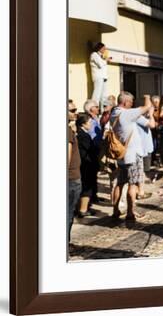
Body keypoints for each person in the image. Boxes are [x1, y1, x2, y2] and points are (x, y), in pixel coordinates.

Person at [109, 92, 155, 220]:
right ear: (125, 102)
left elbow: (149, 124)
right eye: (131, 102)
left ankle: (116, 210)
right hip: (132, 155)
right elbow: (146, 106)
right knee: (133, 184)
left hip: (122, 155)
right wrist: (147, 96)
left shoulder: (115, 113)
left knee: (119, 184)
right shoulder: (126, 113)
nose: (132, 104)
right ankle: (130, 212)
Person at [76, 113, 100, 217]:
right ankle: (83, 210)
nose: (91, 124)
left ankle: (82, 208)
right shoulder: (84, 136)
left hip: (85, 163)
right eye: (89, 122)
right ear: (83, 124)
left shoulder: (81, 133)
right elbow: (90, 150)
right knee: (87, 187)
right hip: (87, 164)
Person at [83, 99, 103, 203]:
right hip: (92, 151)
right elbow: (90, 136)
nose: (98, 108)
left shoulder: (95, 119)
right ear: (91, 109)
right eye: (96, 106)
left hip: (97, 150)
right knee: (90, 175)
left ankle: (94, 195)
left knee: (94, 174)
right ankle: (91, 197)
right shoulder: (89, 121)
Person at [67, 101, 81, 241]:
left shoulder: (71, 130)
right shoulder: (67, 131)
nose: (76, 112)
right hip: (70, 179)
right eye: (72, 110)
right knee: (68, 215)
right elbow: (67, 156)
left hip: (72, 178)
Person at [90, 42, 110, 109]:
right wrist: (106, 60)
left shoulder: (101, 56)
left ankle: (102, 110)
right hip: (98, 77)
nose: (105, 49)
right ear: (99, 48)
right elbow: (100, 65)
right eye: (103, 48)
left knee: (104, 95)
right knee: (97, 94)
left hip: (104, 77)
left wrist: (105, 59)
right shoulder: (94, 54)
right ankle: (94, 108)